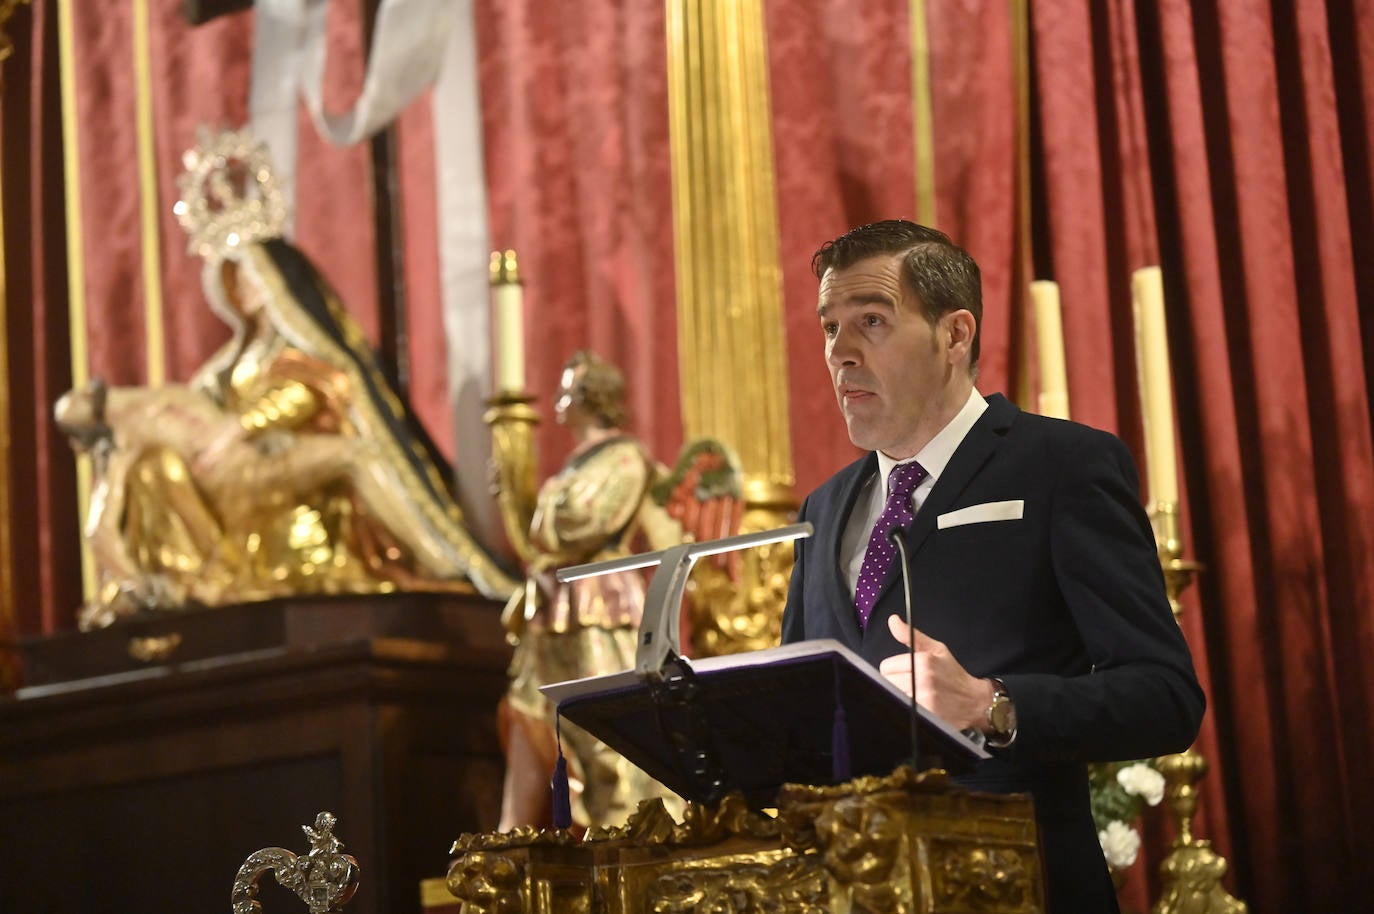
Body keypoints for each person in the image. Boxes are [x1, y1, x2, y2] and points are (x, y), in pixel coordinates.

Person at [780, 220, 1204, 912]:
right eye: (830, 327)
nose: (841, 353)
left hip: (1020, 884)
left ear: (955, 335)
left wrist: (993, 705)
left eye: (873, 322)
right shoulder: (822, 508)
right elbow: (802, 709)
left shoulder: (1063, 466)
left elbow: (1166, 698)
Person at [496, 351, 685, 830]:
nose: (558, 399)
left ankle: (620, 825)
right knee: (532, 710)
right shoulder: (578, 466)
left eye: (566, 390)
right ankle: (511, 832)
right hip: (556, 603)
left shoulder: (624, 458)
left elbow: (582, 521)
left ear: (590, 398)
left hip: (598, 600)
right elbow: (548, 528)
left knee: (602, 722)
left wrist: (541, 506)